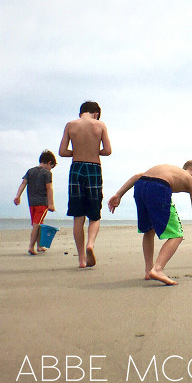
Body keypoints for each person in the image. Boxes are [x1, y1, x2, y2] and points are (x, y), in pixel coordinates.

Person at [107, 161, 192, 286]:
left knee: (149, 230)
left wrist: (118, 194)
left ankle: (149, 270)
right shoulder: (191, 181)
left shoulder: (170, 170)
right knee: (177, 235)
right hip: (158, 187)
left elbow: (137, 176)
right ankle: (158, 269)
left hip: (140, 186)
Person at [58, 101, 112, 268]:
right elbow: (108, 151)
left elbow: (62, 152)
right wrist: (94, 150)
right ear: (96, 114)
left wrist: (78, 151)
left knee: (78, 215)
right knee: (94, 214)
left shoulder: (70, 125)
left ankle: (81, 258)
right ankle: (90, 244)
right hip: (93, 168)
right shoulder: (100, 125)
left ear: (81, 112)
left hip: (76, 169)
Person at [14, 149, 57, 255]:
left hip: (32, 203)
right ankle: (31, 246)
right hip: (42, 203)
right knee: (37, 225)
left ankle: (39, 246)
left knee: (39, 224)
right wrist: (51, 203)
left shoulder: (30, 171)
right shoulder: (47, 173)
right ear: (49, 163)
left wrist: (18, 196)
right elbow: (49, 188)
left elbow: (23, 183)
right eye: (51, 166)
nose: (51, 169)